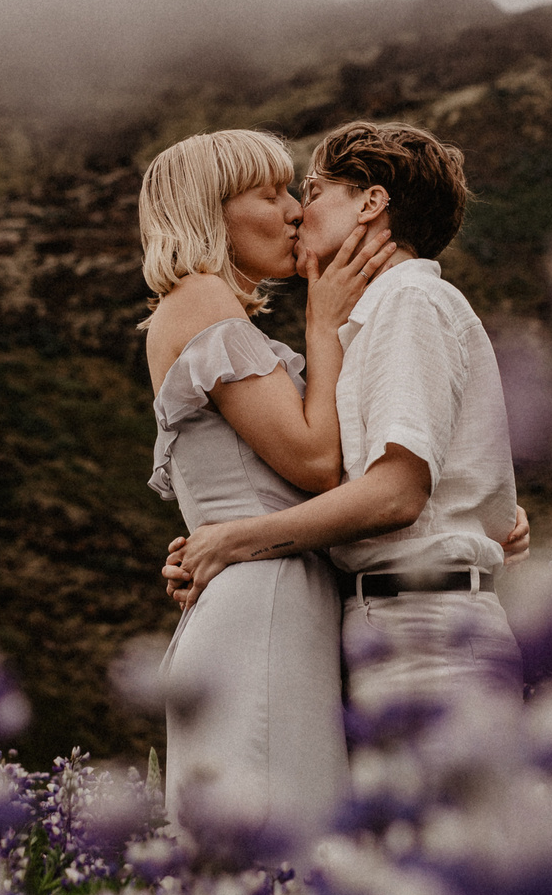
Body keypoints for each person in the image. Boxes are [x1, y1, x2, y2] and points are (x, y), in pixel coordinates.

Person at [166, 120, 526, 720]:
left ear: (371, 202)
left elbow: (396, 496)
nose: (299, 213)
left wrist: (232, 541)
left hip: (428, 642)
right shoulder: (383, 316)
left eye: (311, 192)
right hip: (392, 630)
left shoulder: (410, 302)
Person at [139, 128, 393, 837]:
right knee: (278, 857)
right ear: (209, 211)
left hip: (272, 596)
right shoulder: (198, 298)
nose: (292, 211)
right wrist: (323, 317)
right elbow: (315, 462)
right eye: (269, 193)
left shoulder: (217, 314)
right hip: (265, 608)